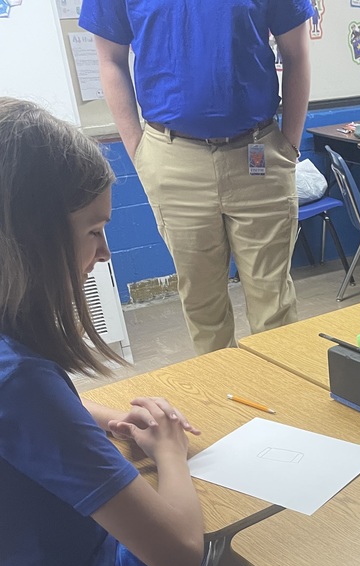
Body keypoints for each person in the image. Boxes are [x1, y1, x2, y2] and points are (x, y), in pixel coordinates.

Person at [0, 99, 360, 566]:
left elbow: (40, 411)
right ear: (32, 239)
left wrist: (102, 414)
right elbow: (177, 552)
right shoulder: (22, 379)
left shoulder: (14, 366)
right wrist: (169, 449)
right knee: (285, 548)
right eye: (92, 231)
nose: (105, 253)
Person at [79, 0, 313, 356]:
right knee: (203, 307)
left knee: (274, 303)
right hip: (172, 156)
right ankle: (223, 405)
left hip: (259, 152)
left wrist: (290, 146)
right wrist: (139, 152)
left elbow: (297, 55)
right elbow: (110, 59)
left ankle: (283, 405)